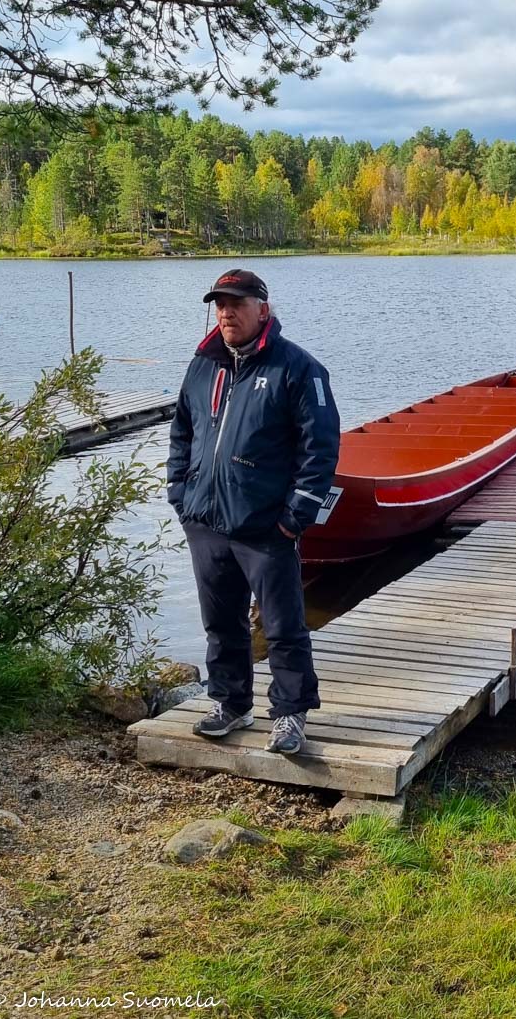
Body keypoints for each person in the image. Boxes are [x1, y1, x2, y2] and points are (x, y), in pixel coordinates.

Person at [166, 269, 340, 755]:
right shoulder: (203, 365)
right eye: (220, 303)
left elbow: (320, 451)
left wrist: (293, 517)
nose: (226, 312)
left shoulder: (298, 369)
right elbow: (182, 430)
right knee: (221, 621)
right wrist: (179, 494)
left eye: (237, 303)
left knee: (283, 626)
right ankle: (230, 701)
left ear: (262, 308)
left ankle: (289, 714)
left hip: (266, 527)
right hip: (205, 521)